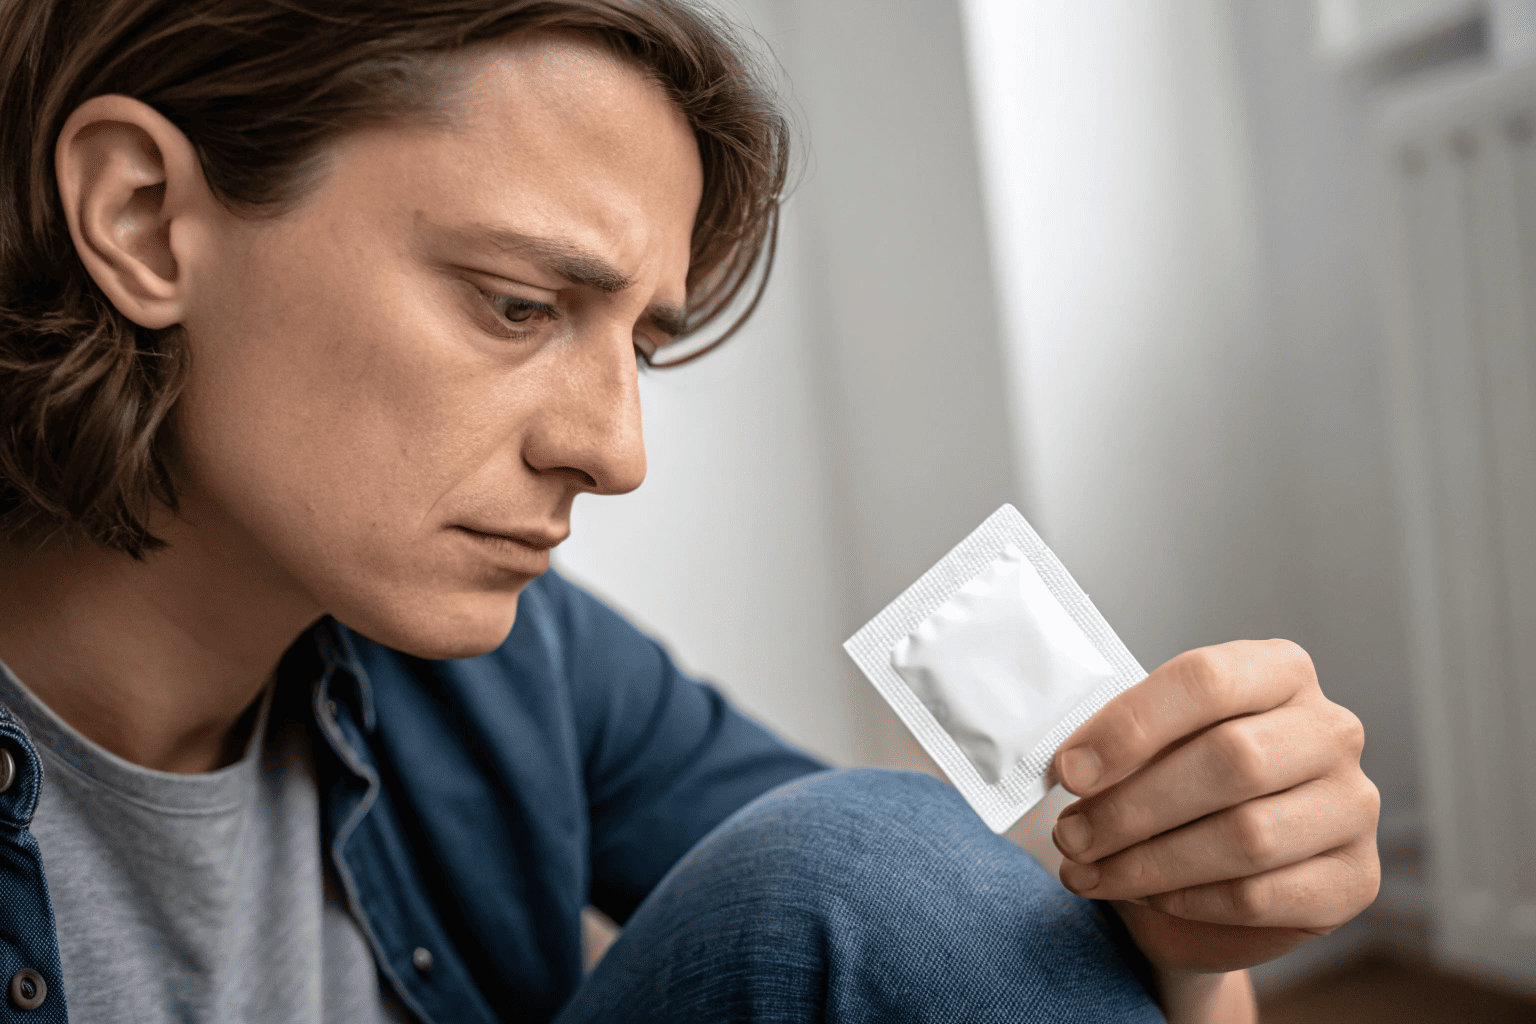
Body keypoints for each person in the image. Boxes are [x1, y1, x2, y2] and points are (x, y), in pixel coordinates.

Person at [0, 0, 1381, 1021]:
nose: (614, 452)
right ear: (141, 217)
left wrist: (1194, 926)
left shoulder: (522, 670)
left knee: (893, 865)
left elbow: (956, 948)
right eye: (519, 305)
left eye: (638, 347)